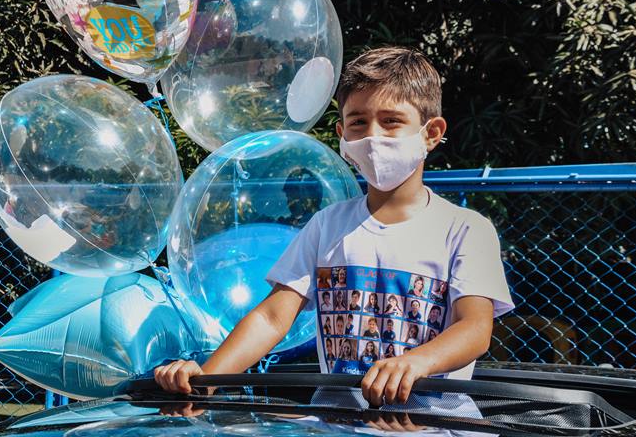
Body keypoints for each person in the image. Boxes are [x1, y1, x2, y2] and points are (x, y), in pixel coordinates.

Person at [154, 47, 514, 407]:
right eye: (358, 122)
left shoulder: (466, 229)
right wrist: (206, 378)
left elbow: (475, 328)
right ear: (342, 134)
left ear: (431, 133)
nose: (373, 136)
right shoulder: (326, 225)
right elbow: (272, 317)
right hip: (336, 422)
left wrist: (417, 362)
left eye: (391, 121)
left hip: (436, 425)